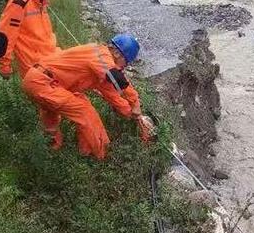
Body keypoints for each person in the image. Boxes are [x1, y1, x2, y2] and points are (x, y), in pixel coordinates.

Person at [22, 34, 155, 159]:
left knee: (71, 107)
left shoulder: (101, 70)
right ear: (116, 53)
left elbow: (113, 96)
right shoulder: (100, 54)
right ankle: (103, 156)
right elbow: (116, 77)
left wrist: (133, 115)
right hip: (42, 82)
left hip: (48, 84)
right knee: (84, 110)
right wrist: (135, 101)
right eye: (125, 63)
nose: (124, 68)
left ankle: (67, 152)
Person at [0, 0, 64, 80]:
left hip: (53, 58)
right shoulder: (19, 3)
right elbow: (5, 34)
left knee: (90, 62)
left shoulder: (41, 3)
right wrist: (4, 65)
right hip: (38, 68)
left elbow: (46, 37)